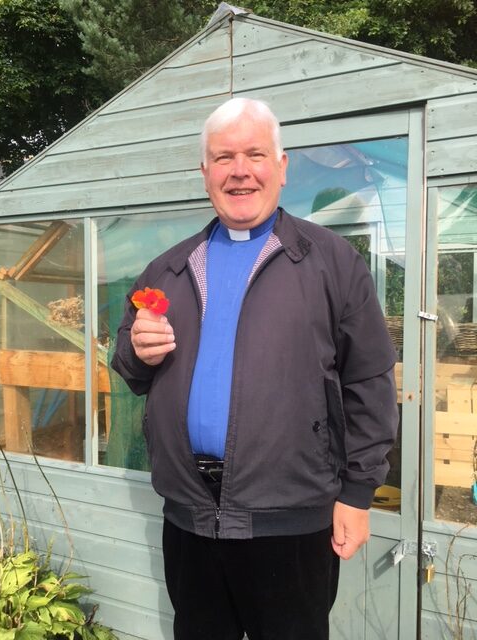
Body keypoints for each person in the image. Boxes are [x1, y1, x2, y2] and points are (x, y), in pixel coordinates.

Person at [111, 97, 398, 640]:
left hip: (290, 521)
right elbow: (129, 366)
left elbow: (369, 381)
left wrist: (358, 494)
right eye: (223, 158)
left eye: (255, 154)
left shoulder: (331, 262)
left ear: (282, 167)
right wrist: (135, 350)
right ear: (204, 173)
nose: (239, 170)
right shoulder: (169, 269)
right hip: (190, 519)